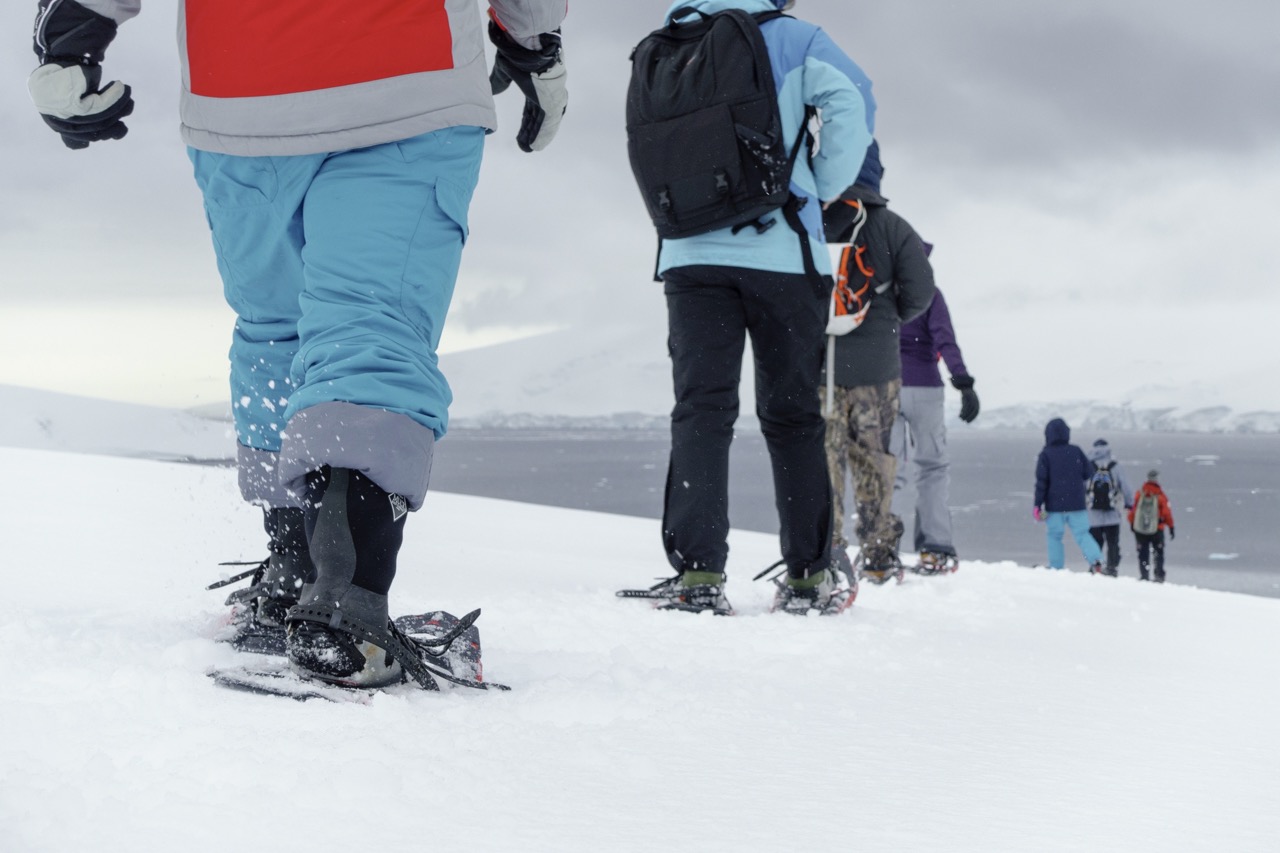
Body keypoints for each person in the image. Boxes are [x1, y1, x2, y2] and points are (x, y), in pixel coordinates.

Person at [27, 0, 569, 688]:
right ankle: (344, 605)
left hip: (240, 95)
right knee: (371, 325)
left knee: (274, 326)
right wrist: (534, 37)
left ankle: (293, 575)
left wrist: (70, 38)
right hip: (406, 73)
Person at [632, 0, 875, 616]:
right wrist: (820, 187)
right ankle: (807, 576)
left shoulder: (670, 41)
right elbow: (855, 97)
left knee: (701, 412)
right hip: (784, 255)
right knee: (792, 416)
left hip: (690, 257)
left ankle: (698, 576)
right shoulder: (793, 37)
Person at [821, 142, 936, 584]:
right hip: (877, 369)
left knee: (822, 463)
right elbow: (921, 293)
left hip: (820, 370)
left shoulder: (808, 223)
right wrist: (887, 319)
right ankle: (878, 555)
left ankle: (822, 552)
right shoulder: (893, 227)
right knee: (874, 461)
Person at [889, 284, 978, 573]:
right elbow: (945, 339)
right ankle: (935, 548)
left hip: (884, 385)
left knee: (888, 469)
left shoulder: (877, 288)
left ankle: (881, 547)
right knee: (932, 468)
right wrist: (962, 381)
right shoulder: (928, 292)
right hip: (926, 387)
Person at [1033, 418, 1105, 573]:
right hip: (1077, 504)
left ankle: (1056, 567)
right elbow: (1089, 473)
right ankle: (1096, 561)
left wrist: (1037, 506)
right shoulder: (1076, 451)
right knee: (1082, 534)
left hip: (1053, 506)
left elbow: (1041, 483)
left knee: (1054, 536)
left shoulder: (1045, 455)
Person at [1085, 438, 1134, 577]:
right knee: (1113, 543)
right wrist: (1129, 504)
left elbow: (1080, 488)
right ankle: (1112, 568)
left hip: (1093, 515)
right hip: (1113, 514)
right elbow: (1126, 488)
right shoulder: (1115, 466)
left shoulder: (1088, 466)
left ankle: (1095, 567)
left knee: (1095, 543)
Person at [1129, 470, 1176, 582]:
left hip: (1140, 529)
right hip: (1157, 529)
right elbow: (1166, 512)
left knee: (1143, 553)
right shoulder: (1160, 495)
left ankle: (1144, 574)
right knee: (1158, 553)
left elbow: (1132, 510)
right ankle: (1159, 575)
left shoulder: (1139, 493)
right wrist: (1171, 527)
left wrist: (1132, 523)